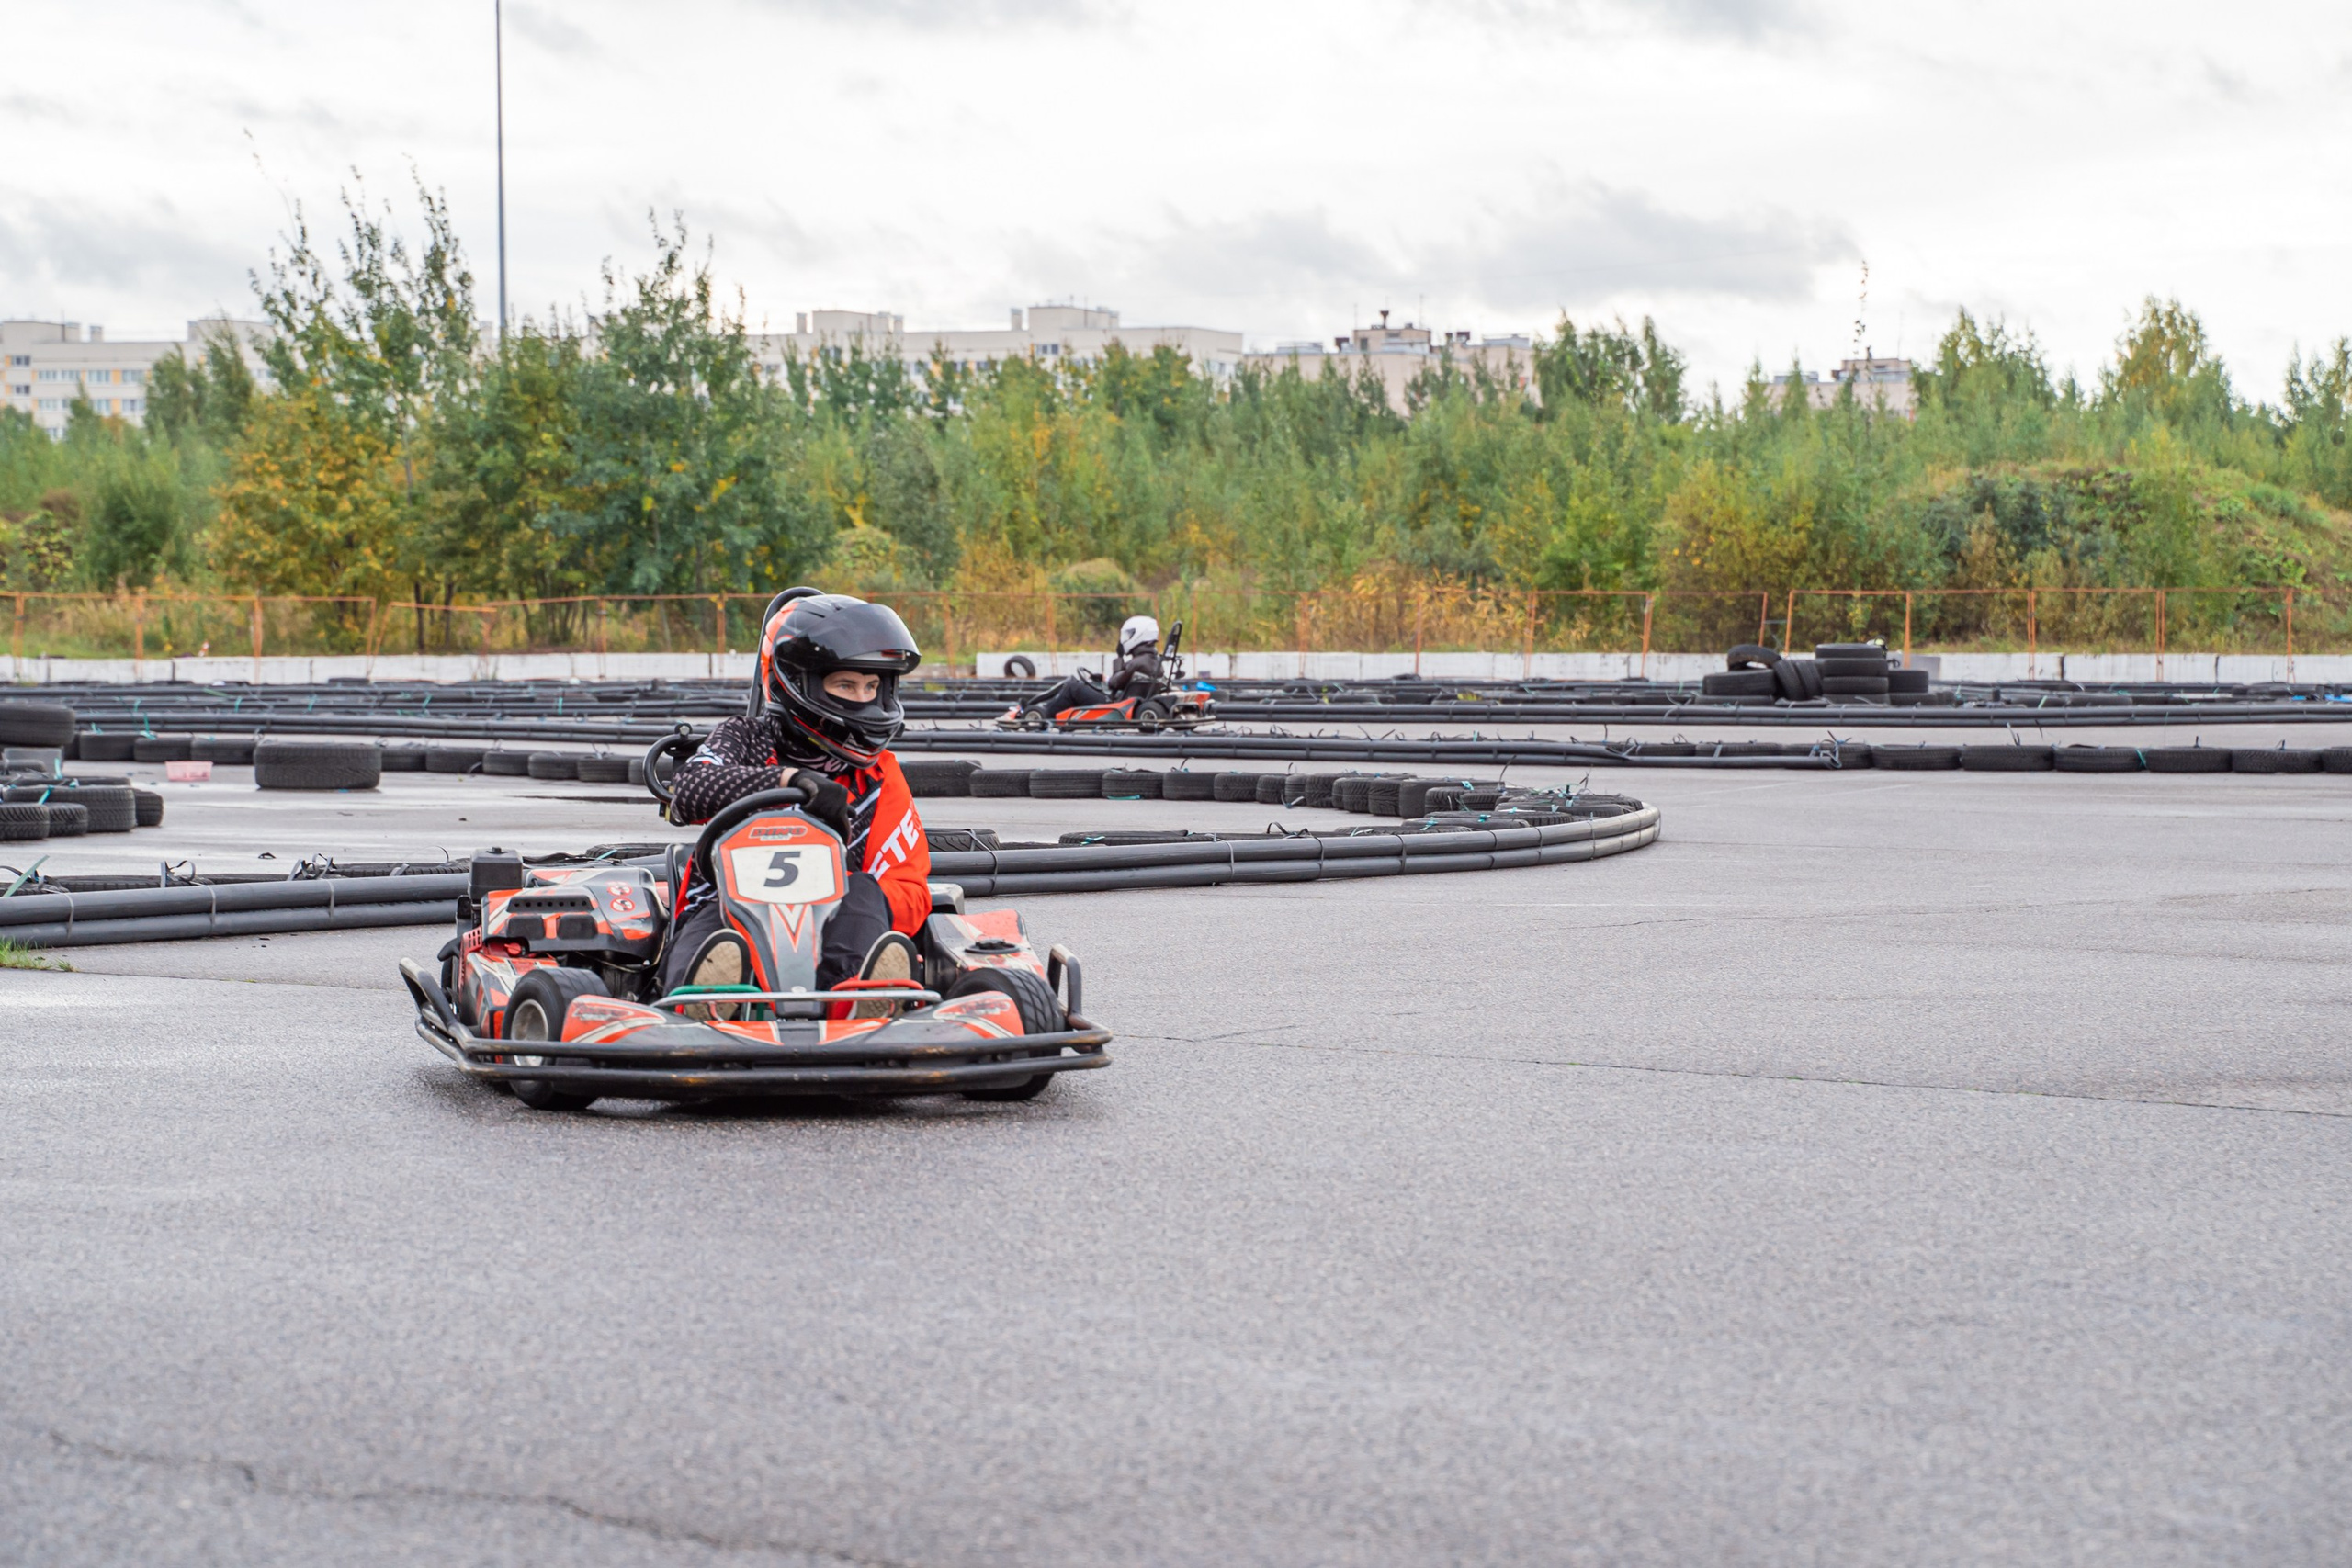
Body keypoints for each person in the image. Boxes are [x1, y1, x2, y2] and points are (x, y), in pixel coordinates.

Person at [660, 590, 932, 1002]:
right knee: (719, 923)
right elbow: (689, 788)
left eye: (871, 686)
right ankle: (707, 1003)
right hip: (732, 908)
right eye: (846, 684)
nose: (863, 700)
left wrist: (833, 895)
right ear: (796, 682)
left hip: (837, 925)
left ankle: (862, 998)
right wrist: (788, 780)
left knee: (866, 892)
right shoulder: (745, 739)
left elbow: (908, 887)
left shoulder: (877, 775)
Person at [1009, 614, 1163, 727]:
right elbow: (1122, 681)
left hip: (1114, 704)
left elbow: (1115, 683)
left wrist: (1119, 657)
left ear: (1139, 635)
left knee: (1072, 686)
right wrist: (1104, 678)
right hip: (1125, 699)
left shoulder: (1136, 662)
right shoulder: (1154, 662)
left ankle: (1040, 713)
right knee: (1081, 684)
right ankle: (1042, 709)